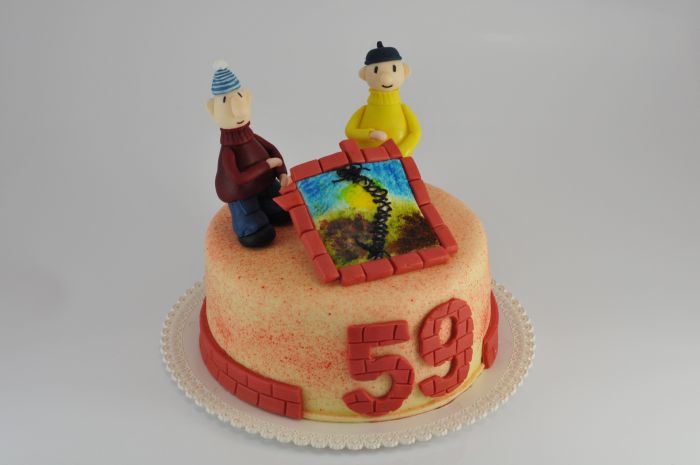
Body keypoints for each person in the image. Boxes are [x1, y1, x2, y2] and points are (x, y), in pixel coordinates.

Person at [206, 61, 291, 248]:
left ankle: (269, 207)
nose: (236, 111)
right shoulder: (228, 151)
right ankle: (249, 221)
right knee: (256, 230)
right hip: (243, 194)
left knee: (285, 209)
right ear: (212, 110)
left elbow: (272, 150)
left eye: (238, 98)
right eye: (226, 103)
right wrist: (266, 165)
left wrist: (282, 173)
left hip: (267, 185)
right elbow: (237, 178)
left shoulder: (253, 137)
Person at [345, 42, 422, 157]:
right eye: (376, 70)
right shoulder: (364, 110)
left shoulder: (403, 109)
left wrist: (401, 151)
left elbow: (415, 132)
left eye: (394, 69)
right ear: (364, 74)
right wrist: (370, 134)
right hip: (369, 159)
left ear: (405, 71)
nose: (386, 78)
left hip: (398, 160)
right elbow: (349, 131)